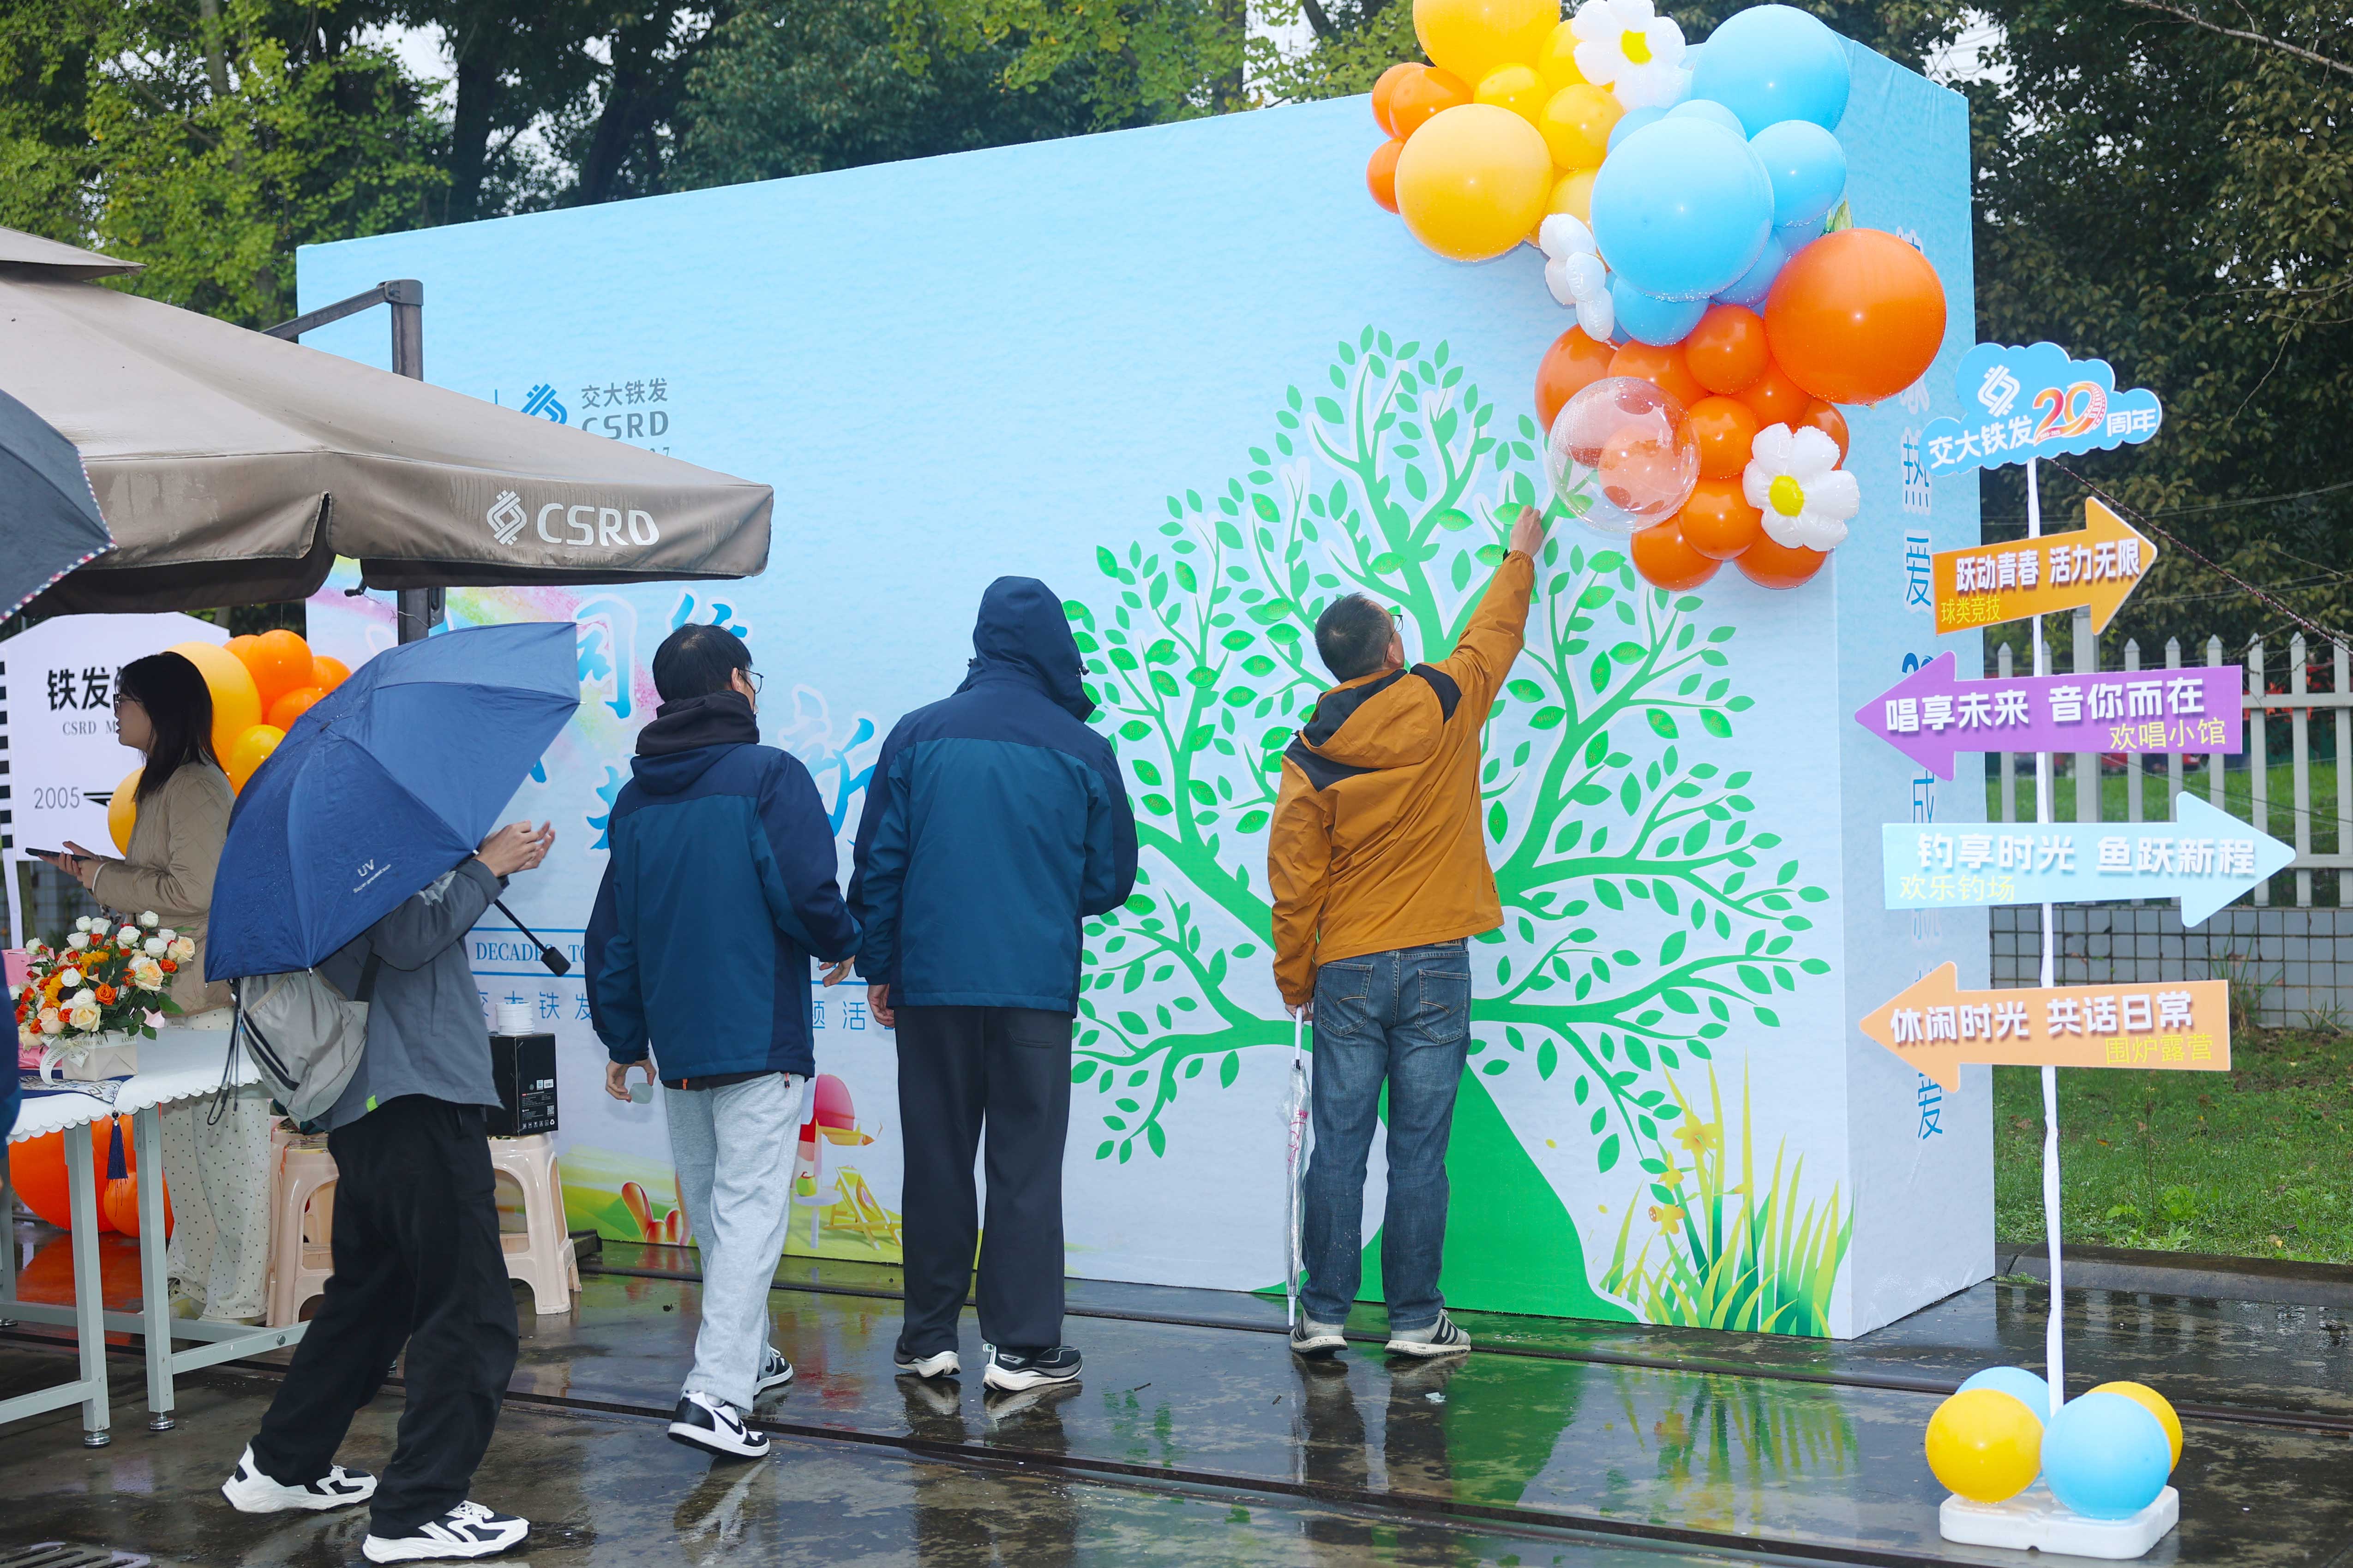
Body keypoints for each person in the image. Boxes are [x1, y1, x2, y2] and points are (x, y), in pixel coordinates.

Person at [222, 818, 554, 1565]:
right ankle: (417, 1509)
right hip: (416, 1097)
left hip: (372, 1104)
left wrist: (475, 870)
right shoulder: (366, 838)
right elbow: (408, 936)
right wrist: (486, 868)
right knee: (469, 1310)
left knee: (371, 1302)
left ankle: (281, 1464)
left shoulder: (330, 838)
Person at [1267, 503, 1549, 1361]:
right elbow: (1491, 635)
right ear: (1391, 648)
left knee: (1338, 1148)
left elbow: (1294, 879)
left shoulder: (1308, 753)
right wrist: (1519, 557)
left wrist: (1296, 980)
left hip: (1346, 969)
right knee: (1419, 1151)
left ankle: (1323, 1315)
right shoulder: (1444, 697)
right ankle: (1416, 1321)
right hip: (1435, 964)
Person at [850, 576, 1137, 1394]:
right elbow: (1110, 877)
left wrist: (881, 965)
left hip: (932, 982)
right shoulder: (1083, 747)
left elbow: (880, 863)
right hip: (1033, 987)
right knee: (1024, 1164)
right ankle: (1021, 1350)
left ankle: (928, 1338)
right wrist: (1043, 893)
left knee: (936, 1158)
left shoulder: (917, 733)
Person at [584, 623, 861, 1462]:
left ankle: (751, 1354)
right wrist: (842, 939)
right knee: (746, 1214)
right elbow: (804, 891)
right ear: (737, 682)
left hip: (679, 1043)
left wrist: (624, 1037)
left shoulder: (636, 801)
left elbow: (614, 932)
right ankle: (715, 1393)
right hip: (758, 1032)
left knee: (715, 1209)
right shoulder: (768, 774)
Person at [48, 651, 269, 1324]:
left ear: (161, 708)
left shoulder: (197, 785)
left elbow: (194, 891)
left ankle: (240, 1295)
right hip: (171, 997)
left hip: (209, 995)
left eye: (125, 698)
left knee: (229, 1153)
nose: (115, 710)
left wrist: (102, 877)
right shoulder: (162, 782)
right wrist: (99, 869)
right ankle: (193, 1279)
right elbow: (162, 880)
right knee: (183, 1154)